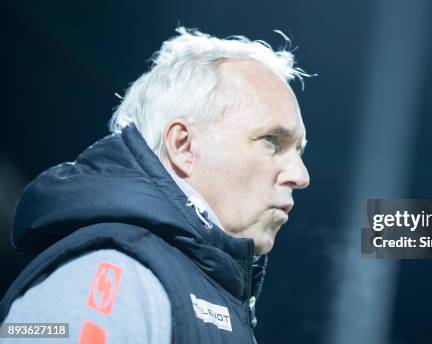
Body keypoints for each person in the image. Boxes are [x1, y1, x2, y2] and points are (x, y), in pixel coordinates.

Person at [0, 27, 311, 343]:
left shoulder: (198, 287)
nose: (301, 176)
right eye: (272, 140)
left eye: (299, 151)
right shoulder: (112, 275)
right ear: (183, 145)